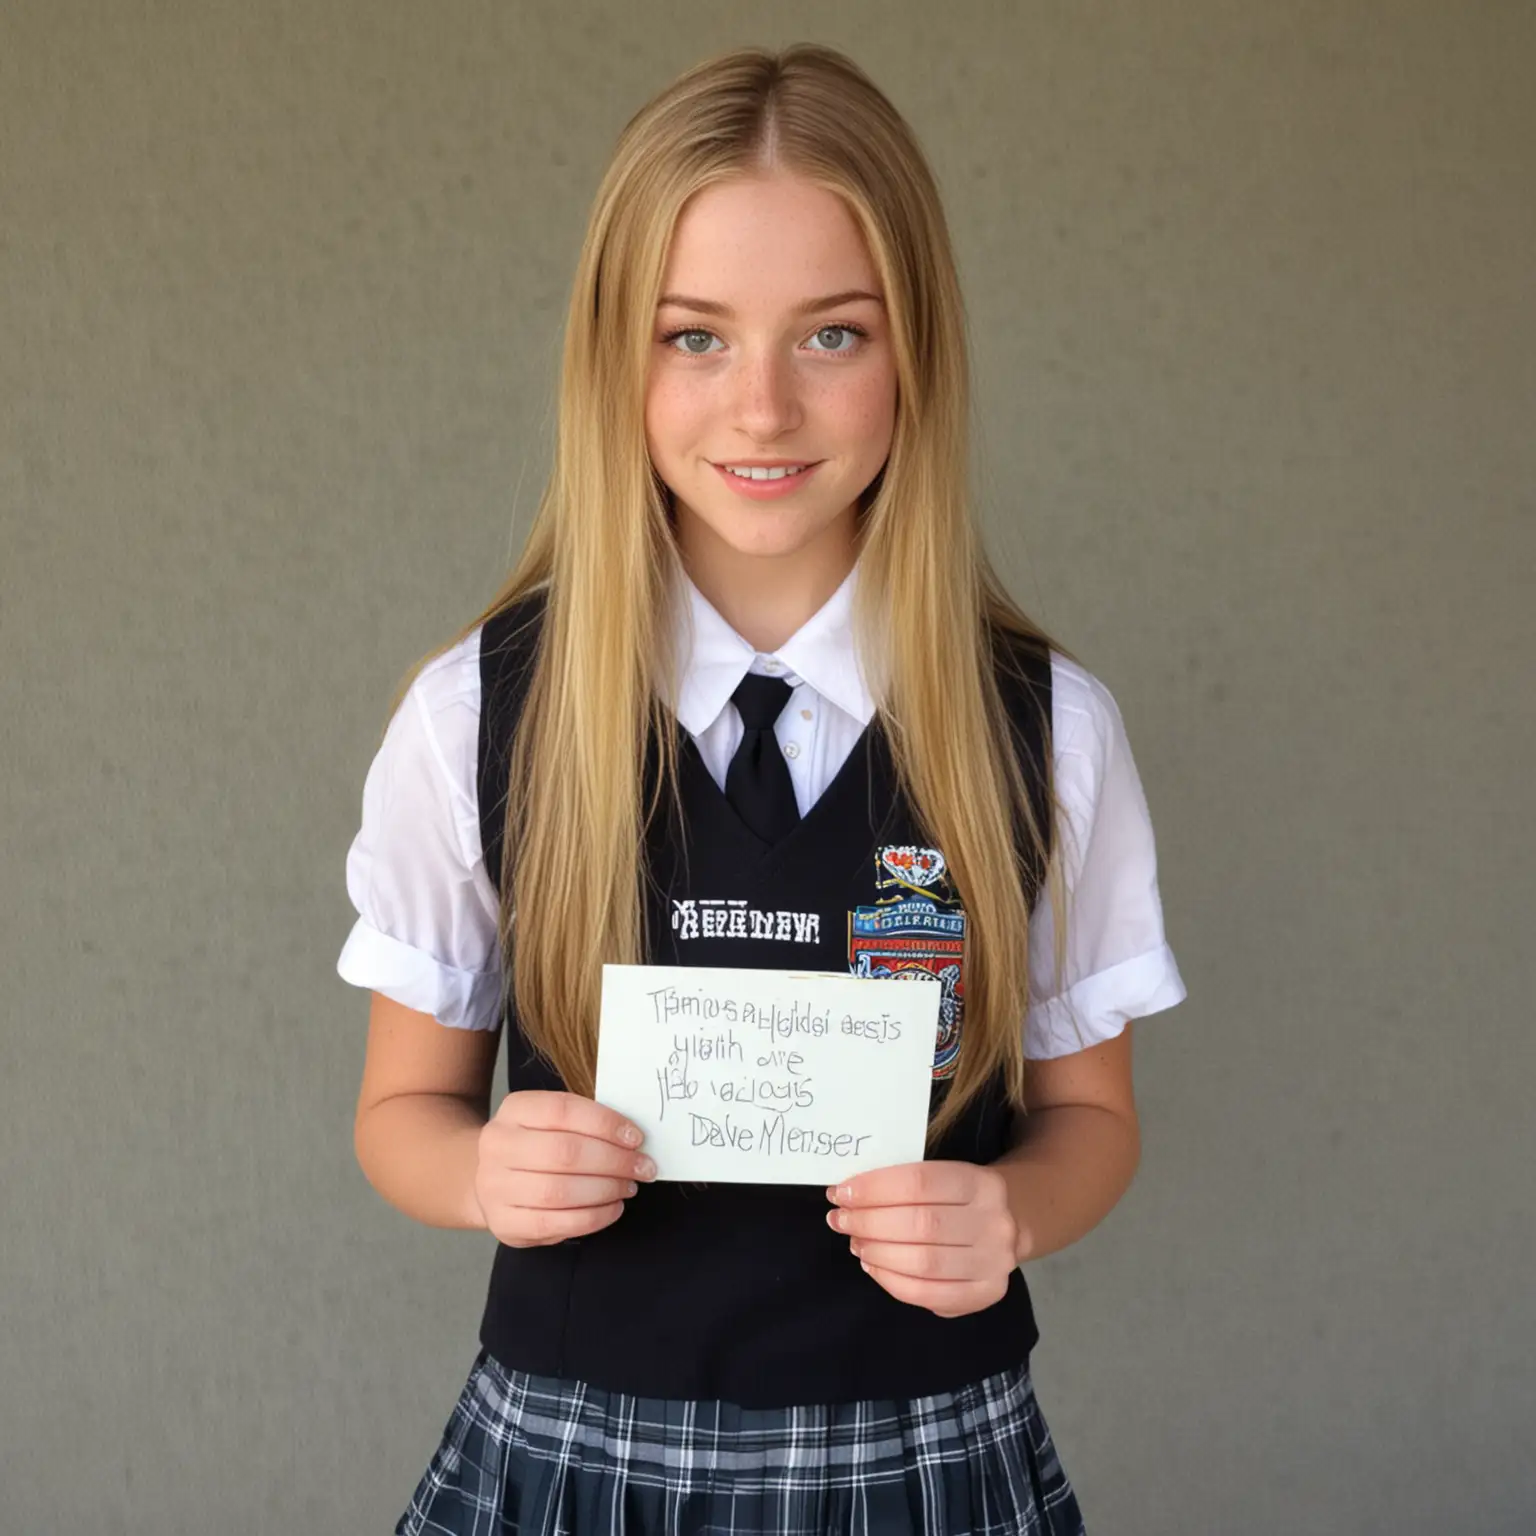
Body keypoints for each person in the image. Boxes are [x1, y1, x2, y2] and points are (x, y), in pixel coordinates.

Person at [338, 41, 1186, 1536]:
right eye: (698, 338)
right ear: (615, 354)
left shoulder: (1047, 730)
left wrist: (1013, 1213)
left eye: (835, 337)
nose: (765, 409)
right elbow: (400, 1110)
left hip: (929, 1456)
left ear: (916, 346)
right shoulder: (477, 711)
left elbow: (1091, 1119)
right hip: (569, 1453)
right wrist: (481, 1171)